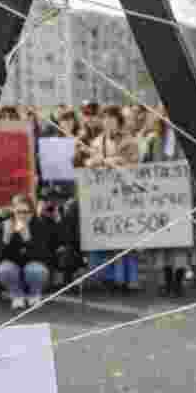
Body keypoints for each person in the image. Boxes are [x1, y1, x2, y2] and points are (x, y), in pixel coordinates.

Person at [75, 105, 142, 293]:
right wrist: (92, 163)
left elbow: (135, 165)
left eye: (111, 119)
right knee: (107, 236)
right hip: (103, 196)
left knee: (126, 238)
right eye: (105, 119)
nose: (108, 123)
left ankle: (129, 279)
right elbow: (88, 164)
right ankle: (109, 278)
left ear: (119, 121)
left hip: (124, 194)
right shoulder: (97, 142)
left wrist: (116, 161)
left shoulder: (129, 141)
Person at [143, 109, 192, 297]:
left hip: (182, 197)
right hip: (160, 197)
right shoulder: (153, 140)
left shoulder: (187, 138)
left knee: (180, 241)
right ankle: (167, 281)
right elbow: (145, 165)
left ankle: (178, 283)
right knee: (164, 241)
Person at [0, 193, 55, 310]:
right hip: (14, 272)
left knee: (36, 269)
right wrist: (6, 240)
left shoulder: (39, 225)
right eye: (18, 212)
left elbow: (43, 256)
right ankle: (17, 296)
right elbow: (0, 259)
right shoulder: (4, 226)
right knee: (5, 269)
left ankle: (34, 295)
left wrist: (27, 240)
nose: (22, 215)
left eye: (26, 212)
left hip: (34, 272)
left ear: (32, 213)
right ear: (13, 212)